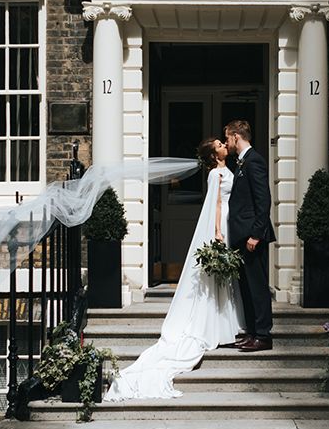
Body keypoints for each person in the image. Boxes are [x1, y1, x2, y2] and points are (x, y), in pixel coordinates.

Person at [104, 137, 245, 400]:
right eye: (219, 145)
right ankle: (215, 325)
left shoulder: (227, 169)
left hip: (229, 220)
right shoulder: (216, 174)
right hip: (221, 224)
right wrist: (217, 231)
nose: (224, 146)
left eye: (223, 143)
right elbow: (214, 204)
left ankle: (227, 321)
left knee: (223, 277)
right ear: (214, 156)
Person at [224, 119, 276, 352]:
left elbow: (263, 201)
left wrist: (256, 234)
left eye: (227, 137)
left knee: (257, 286)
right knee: (246, 287)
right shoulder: (242, 162)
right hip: (241, 236)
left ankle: (263, 335)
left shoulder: (254, 161)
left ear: (236, 136)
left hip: (251, 237)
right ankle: (253, 332)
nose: (226, 142)